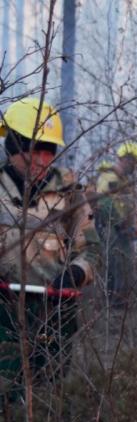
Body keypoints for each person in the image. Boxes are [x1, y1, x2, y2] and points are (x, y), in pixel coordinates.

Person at [0, 97, 100, 400]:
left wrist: (76, 273)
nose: (43, 161)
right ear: (14, 147)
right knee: (7, 388)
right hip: (3, 305)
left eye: (49, 152)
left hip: (55, 309)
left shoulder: (70, 193)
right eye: (35, 151)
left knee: (47, 388)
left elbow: (91, 250)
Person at [95, 141, 137, 304]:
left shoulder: (124, 181)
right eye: (134, 162)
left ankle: (121, 300)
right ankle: (110, 302)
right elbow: (103, 202)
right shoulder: (110, 178)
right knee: (112, 264)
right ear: (126, 159)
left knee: (124, 264)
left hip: (123, 231)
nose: (135, 167)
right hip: (111, 230)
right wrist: (120, 223)